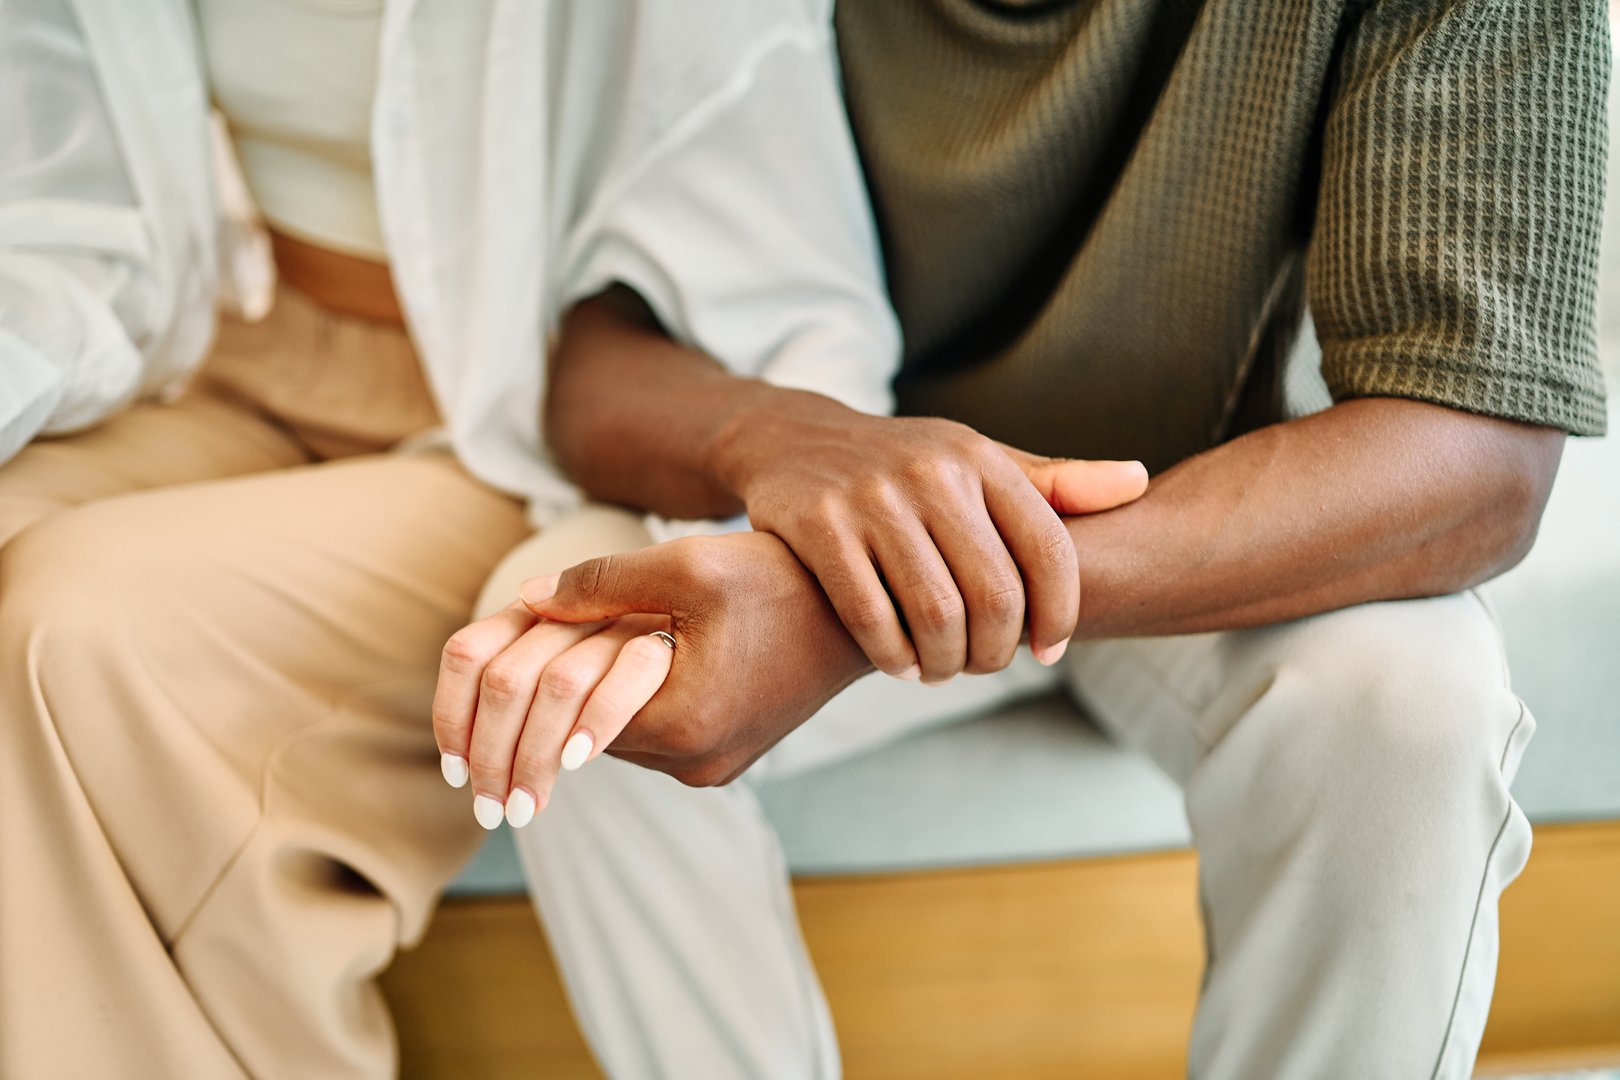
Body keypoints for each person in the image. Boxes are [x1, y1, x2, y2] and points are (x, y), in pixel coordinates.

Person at [436, 1, 1611, 1077]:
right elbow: (596, 348)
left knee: (1410, 704)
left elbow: (1480, 459)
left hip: (1238, 523)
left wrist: (873, 601)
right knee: (575, 665)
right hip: (828, 501)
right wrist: (786, 439)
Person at [0, 1, 1024, 1074]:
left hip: (516, 415)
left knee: (75, 619)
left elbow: (773, 295)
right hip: (241, 348)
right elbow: (64, 222)